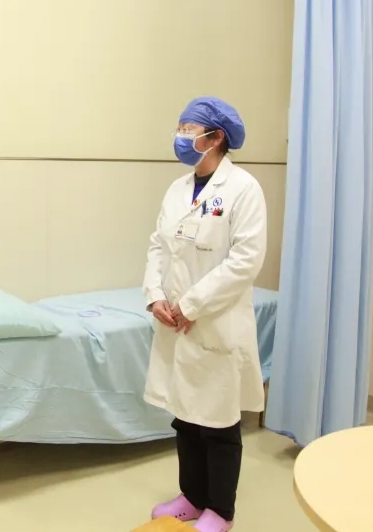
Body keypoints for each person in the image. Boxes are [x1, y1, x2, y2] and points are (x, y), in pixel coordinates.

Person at [142, 96, 267, 532]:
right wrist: (155, 295)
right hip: (175, 322)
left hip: (215, 320)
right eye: (180, 127)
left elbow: (246, 261)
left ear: (216, 138)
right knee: (185, 417)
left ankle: (221, 511)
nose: (180, 136)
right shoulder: (177, 189)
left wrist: (192, 305)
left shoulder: (243, 188)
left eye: (188, 129)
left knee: (218, 422)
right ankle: (192, 497)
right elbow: (158, 246)